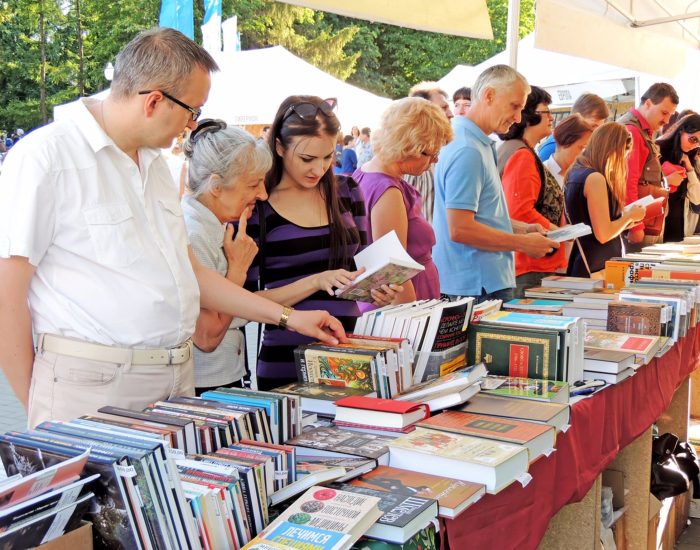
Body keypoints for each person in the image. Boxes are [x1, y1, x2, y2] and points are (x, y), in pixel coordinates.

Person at [0, 28, 345, 428]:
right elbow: (8, 297)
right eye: (192, 111)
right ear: (154, 101)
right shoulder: (46, 157)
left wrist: (288, 316)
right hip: (95, 387)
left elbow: (191, 276)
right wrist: (38, 406)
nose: (190, 125)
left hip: (173, 380)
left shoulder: (156, 165)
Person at [246, 95, 398, 391]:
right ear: (279, 147)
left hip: (349, 352)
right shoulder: (258, 207)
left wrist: (378, 289)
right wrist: (316, 281)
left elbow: (361, 268)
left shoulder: (347, 191)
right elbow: (246, 303)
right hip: (285, 360)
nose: (318, 168)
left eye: (328, 157)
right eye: (307, 159)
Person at [432, 65, 559, 303]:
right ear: (489, 96)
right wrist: (523, 243)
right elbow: (460, 228)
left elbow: (480, 215)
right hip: (476, 284)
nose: (518, 118)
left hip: (479, 281)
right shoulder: (468, 148)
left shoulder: (473, 142)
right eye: (514, 106)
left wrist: (524, 229)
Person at [181, 120, 271, 395]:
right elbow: (207, 335)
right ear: (216, 185)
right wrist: (237, 272)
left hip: (219, 377)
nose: (263, 194)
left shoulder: (211, 226)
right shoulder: (194, 235)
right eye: (254, 184)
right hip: (206, 385)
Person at [353, 97, 453, 302]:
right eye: (431, 153)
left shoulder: (364, 175)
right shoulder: (388, 190)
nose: (435, 160)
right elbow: (394, 272)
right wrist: (413, 320)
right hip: (406, 305)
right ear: (409, 146)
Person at [497, 86, 567, 296]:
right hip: (529, 264)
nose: (551, 118)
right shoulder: (521, 155)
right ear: (528, 117)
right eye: (546, 112)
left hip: (528, 260)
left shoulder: (518, 149)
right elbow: (519, 211)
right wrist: (558, 231)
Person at [564, 123, 646, 277]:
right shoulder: (595, 178)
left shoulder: (575, 172)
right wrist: (630, 216)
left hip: (584, 261)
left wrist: (625, 219)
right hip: (595, 266)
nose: (622, 161)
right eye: (623, 155)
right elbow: (603, 234)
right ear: (614, 150)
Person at [619, 82, 679, 250]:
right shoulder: (632, 130)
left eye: (671, 114)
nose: (667, 120)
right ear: (647, 103)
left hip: (645, 220)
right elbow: (626, 182)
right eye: (664, 112)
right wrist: (636, 225)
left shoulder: (641, 130)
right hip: (640, 224)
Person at [405, 82, 453, 224]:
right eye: (444, 108)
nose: (450, 114)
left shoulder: (432, 152)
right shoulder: (415, 159)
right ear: (424, 113)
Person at [655, 112, 700, 243]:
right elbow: (643, 187)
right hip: (658, 221)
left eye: (698, 143)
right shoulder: (658, 150)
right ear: (681, 130)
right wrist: (667, 181)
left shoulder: (691, 156)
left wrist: (690, 168)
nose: (694, 145)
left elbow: (696, 200)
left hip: (681, 224)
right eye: (693, 139)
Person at [538, 93, 609, 161]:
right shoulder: (552, 148)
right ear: (576, 119)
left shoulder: (586, 146)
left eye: (600, 128)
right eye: (593, 126)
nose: (597, 133)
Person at [542, 114, 593, 188]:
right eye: (581, 147)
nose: (583, 154)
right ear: (566, 141)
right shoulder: (542, 173)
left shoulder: (582, 174)